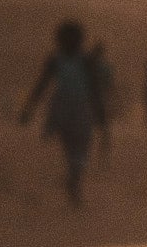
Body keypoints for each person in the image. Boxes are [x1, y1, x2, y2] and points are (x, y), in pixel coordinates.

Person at [18, 20, 104, 206]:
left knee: (77, 146)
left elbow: (94, 88)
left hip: (70, 108)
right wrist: (28, 108)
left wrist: (29, 109)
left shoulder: (80, 60)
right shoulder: (63, 60)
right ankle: (74, 180)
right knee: (76, 146)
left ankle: (74, 180)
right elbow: (42, 85)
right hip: (69, 108)